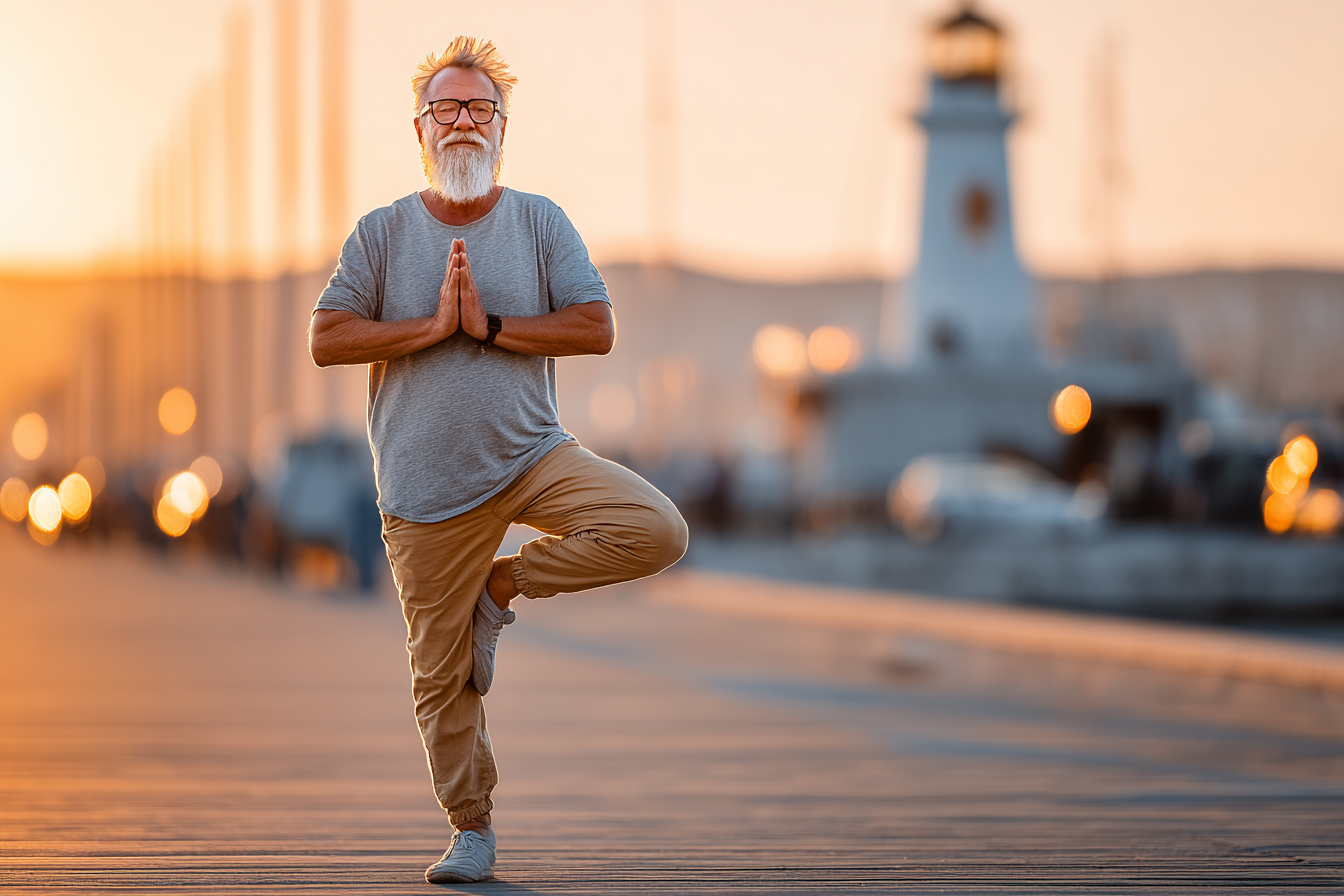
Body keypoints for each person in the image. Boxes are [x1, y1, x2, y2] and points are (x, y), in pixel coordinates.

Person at [308, 36, 688, 884]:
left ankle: (502, 587)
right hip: (424, 488)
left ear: (503, 130)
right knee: (441, 681)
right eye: (447, 108)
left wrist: (489, 328)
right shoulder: (380, 235)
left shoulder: (540, 222)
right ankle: (471, 829)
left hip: (530, 456)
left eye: (481, 109)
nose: (464, 123)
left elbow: (596, 326)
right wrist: (429, 329)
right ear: (419, 131)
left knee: (657, 529)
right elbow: (327, 337)